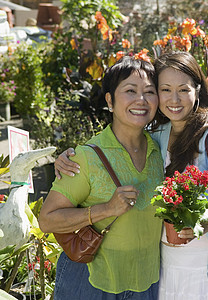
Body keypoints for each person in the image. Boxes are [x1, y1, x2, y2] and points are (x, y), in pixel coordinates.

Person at [54, 51, 208, 299]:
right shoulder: (157, 135)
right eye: (164, 89)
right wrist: (67, 156)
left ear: (197, 91)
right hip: (163, 265)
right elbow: (119, 138)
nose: (174, 99)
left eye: (183, 90)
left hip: (203, 264)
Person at [38, 56, 164, 299]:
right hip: (91, 283)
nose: (141, 100)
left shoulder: (160, 149)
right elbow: (47, 220)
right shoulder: (86, 157)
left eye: (150, 91)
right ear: (110, 100)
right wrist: (105, 209)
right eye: (130, 90)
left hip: (147, 282)